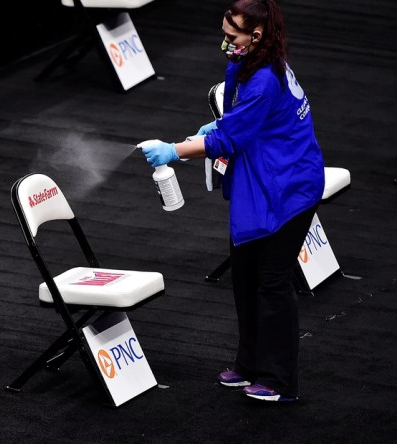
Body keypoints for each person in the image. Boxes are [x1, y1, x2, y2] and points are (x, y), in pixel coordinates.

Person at [138, 0, 325, 402]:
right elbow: (238, 122)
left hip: (288, 188)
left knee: (273, 284)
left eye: (231, 36)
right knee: (244, 278)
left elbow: (230, 140)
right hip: (265, 182)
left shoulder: (264, 79)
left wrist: (176, 150)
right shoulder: (252, 63)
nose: (225, 43)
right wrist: (220, 123)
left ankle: (280, 381)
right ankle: (249, 364)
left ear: (255, 36)